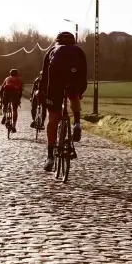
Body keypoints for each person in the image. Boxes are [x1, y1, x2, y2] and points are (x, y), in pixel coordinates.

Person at [40, 31, 87, 171]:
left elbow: (44, 75)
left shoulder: (52, 51)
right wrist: (80, 91)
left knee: (53, 119)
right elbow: (84, 73)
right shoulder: (79, 51)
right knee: (74, 96)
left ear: (57, 41)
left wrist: (43, 93)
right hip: (73, 81)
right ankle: (77, 123)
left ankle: (50, 157)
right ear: (73, 42)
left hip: (54, 85)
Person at [0, 68, 23, 133]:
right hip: (15, 93)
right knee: (14, 110)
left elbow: (1, 89)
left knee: (4, 105)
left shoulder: (7, 78)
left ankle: (4, 115)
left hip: (6, 92)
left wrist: (1, 99)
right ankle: (14, 126)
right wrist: (19, 99)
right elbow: (20, 91)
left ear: (10, 73)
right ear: (17, 74)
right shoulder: (19, 79)